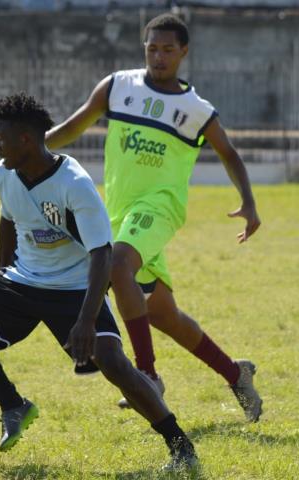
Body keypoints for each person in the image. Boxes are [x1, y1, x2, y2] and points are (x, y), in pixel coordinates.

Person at [0, 93, 198, 471]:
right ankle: (12, 404)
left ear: (26, 139)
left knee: (114, 364)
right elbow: (8, 221)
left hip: (76, 287)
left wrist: (86, 321)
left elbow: (102, 255)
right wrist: (0, 278)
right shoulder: (3, 172)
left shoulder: (74, 184)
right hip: (23, 279)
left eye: (1, 137)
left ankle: (181, 447)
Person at [45, 13, 263, 421]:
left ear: (183, 52)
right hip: (120, 213)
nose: (158, 56)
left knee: (117, 264)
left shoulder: (197, 110)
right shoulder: (116, 87)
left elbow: (229, 154)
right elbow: (74, 126)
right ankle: (237, 373)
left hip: (160, 208)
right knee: (163, 314)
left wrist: (248, 201)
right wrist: (31, 150)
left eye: (167, 49)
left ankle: (147, 374)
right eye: (151, 48)